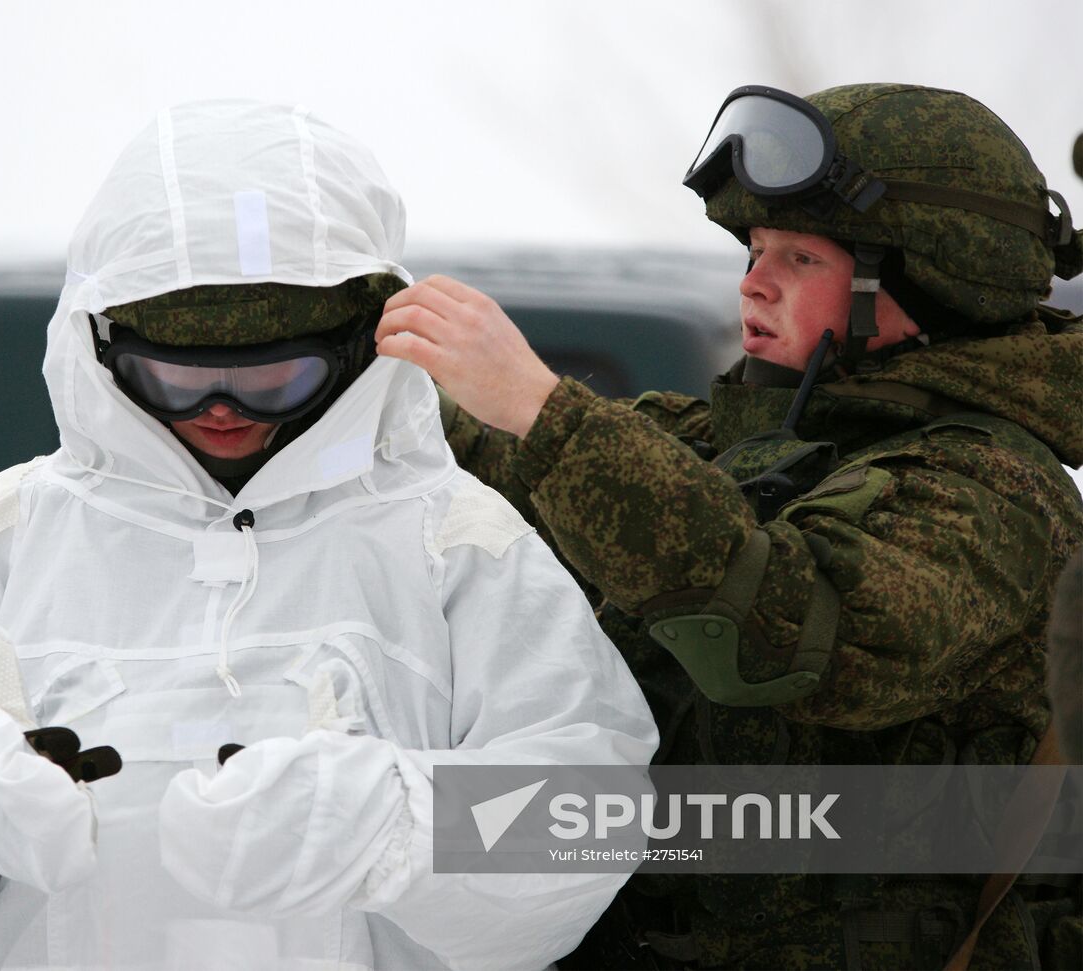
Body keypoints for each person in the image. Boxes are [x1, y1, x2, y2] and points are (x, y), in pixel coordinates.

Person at [0, 100, 658, 970]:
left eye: (275, 376)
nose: (224, 409)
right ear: (102, 347)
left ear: (357, 347)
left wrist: (393, 825)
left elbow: (590, 816)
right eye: (178, 375)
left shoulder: (456, 545)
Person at [377, 83, 1083, 969]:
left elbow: (790, 632)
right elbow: (486, 468)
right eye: (753, 250)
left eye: (799, 259)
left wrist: (543, 406)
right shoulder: (741, 444)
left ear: (921, 278)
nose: (752, 282)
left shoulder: (993, 489)